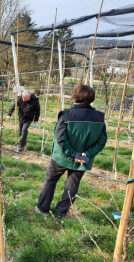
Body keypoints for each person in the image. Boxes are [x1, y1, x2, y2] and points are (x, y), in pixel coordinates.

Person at [35, 83, 107, 218]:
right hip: (83, 160)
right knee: (72, 184)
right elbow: (102, 140)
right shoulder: (99, 118)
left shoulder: (67, 114)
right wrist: (87, 154)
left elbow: (60, 138)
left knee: (50, 180)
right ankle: (61, 212)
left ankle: (43, 208)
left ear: (75, 96)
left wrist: (73, 154)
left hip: (62, 157)